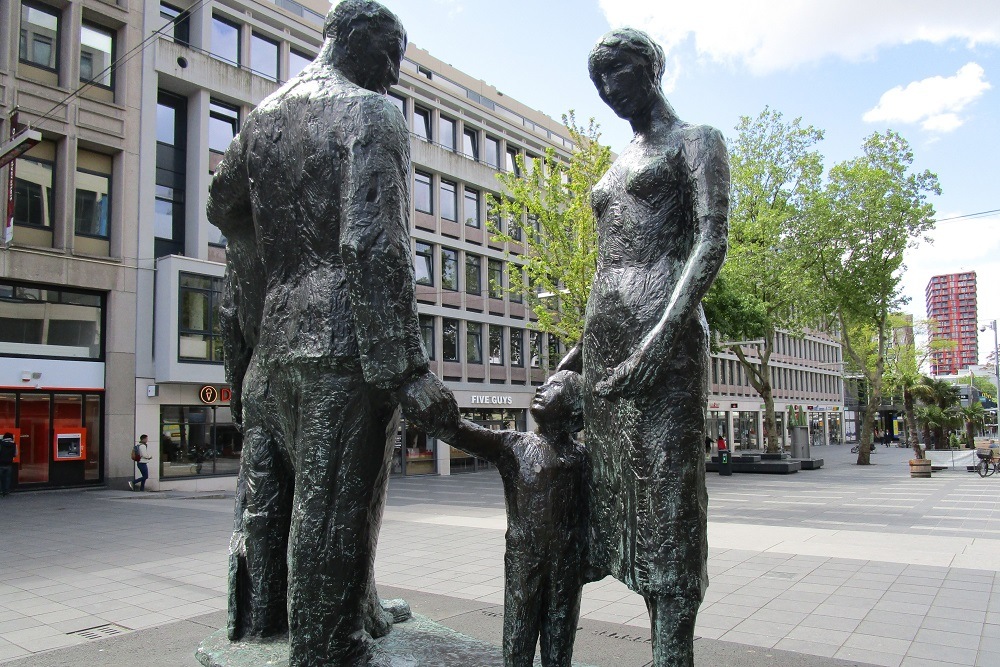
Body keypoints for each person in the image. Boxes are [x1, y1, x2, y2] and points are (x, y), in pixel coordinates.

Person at [207, 2, 460, 664]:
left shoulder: (261, 120)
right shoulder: (370, 113)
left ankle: (270, 620)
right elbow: (373, 243)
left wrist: (243, 353)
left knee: (273, 505)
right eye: (392, 58)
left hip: (274, 344)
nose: (395, 76)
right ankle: (331, 644)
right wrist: (407, 369)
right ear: (357, 42)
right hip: (341, 347)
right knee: (333, 513)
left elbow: (225, 212)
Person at [560, 27, 729, 667]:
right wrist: (577, 354)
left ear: (649, 69)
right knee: (606, 502)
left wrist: (663, 339)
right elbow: (606, 263)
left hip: (665, 342)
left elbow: (710, 241)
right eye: (598, 82)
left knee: (668, 499)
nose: (608, 91)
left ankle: (670, 654)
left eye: (618, 75)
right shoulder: (617, 160)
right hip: (607, 342)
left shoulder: (696, 141)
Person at [444, 371, 587, 667]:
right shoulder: (514, 444)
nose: (541, 387)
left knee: (560, 640)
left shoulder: (583, 457)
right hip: (525, 558)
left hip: (568, 561)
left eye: (554, 386)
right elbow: (458, 431)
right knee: (518, 637)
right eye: (545, 383)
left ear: (574, 409)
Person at [0, 433, 16, 497]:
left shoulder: (1, 443)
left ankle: (0, 491)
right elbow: (15, 454)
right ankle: (6, 491)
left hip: (0, 464)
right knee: (7, 478)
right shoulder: (14, 444)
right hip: (9, 464)